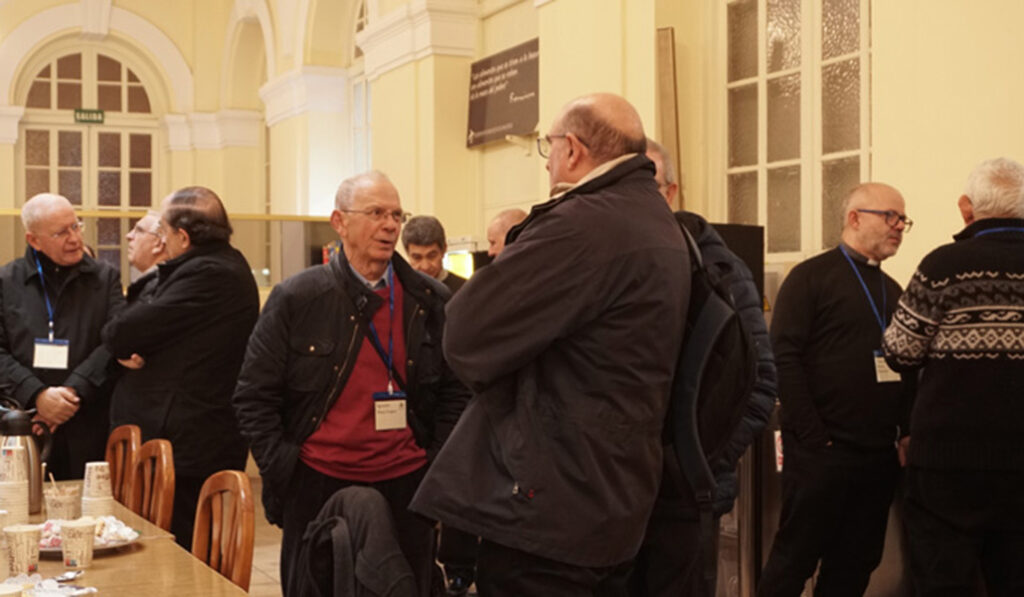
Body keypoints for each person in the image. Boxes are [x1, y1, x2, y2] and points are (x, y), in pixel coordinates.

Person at [409, 93, 691, 595]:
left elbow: (466, 330)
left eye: (548, 148)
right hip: (617, 492)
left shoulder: (584, 223)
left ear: (574, 150)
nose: (548, 164)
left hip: (552, 504)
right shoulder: (657, 221)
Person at [232, 170, 469, 597]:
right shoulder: (298, 298)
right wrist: (286, 467)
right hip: (319, 481)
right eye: (376, 213)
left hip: (406, 482)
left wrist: (432, 463)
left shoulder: (430, 301)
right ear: (339, 222)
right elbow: (253, 395)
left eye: (396, 214)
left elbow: (457, 391)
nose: (390, 225)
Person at [627, 139, 776, 597]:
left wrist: (698, 462)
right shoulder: (602, 263)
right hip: (609, 499)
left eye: (644, 183)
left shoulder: (719, 268)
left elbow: (760, 383)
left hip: (683, 500)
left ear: (670, 192)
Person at [757, 183, 915, 597]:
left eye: (903, 220)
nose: (899, 227)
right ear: (854, 217)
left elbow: (906, 366)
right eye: (891, 217)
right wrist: (813, 436)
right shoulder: (810, 278)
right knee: (796, 558)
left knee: (856, 562)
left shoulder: (893, 290)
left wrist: (906, 428)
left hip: (877, 456)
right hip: (822, 453)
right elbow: (783, 357)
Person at [882, 157, 1024, 596]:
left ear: (967, 208)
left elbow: (900, 353)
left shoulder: (944, 266)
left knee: (942, 581)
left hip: (947, 465)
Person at [102, 186, 259, 548]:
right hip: (182, 437)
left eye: (165, 232)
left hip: (191, 445)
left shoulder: (209, 273)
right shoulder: (209, 267)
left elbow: (122, 332)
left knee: (177, 553)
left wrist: (126, 340)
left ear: (183, 237)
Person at [0, 193, 124, 479]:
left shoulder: (105, 278)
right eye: (61, 232)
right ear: (34, 240)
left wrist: (71, 393)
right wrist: (37, 395)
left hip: (89, 422)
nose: (74, 238)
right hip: (24, 426)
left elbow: (113, 343)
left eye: (76, 226)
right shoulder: (7, 282)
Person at [401, 215, 466, 293]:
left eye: (431, 256)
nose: (425, 266)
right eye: (417, 257)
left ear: (444, 250)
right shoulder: (400, 291)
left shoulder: (465, 290)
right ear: (407, 253)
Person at [124, 211, 168, 301]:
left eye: (139, 230)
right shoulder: (151, 285)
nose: (128, 236)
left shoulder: (158, 288)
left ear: (158, 244)